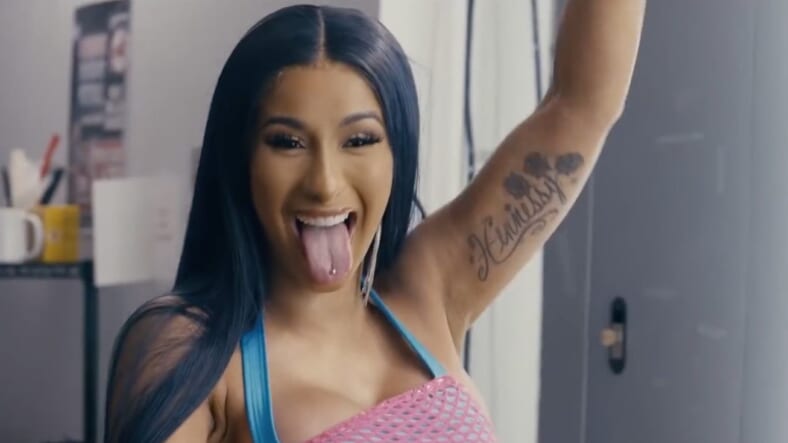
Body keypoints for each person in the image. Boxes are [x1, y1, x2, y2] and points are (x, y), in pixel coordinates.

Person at [104, 2, 646, 442]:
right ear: (240, 159)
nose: (325, 182)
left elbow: (583, 105)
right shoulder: (190, 348)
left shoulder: (427, 291)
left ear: (396, 153)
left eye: (360, 140)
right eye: (287, 142)